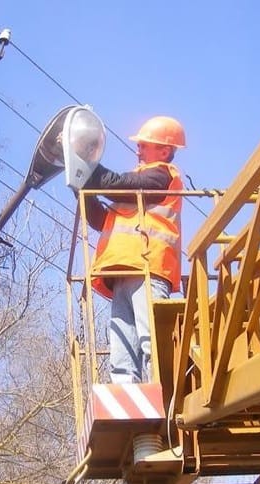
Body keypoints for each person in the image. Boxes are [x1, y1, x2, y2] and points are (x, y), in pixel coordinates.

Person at [82, 116, 186, 384]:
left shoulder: (161, 176)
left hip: (148, 267)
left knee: (151, 339)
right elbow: (99, 219)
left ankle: (166, 394)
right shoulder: (136, 188)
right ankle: (127, 399)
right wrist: (81, 186)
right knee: (122, 348)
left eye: (144, 144)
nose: (138, 149)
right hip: (122, 269)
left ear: (164, 150)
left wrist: (84, 161)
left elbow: (115, 184)